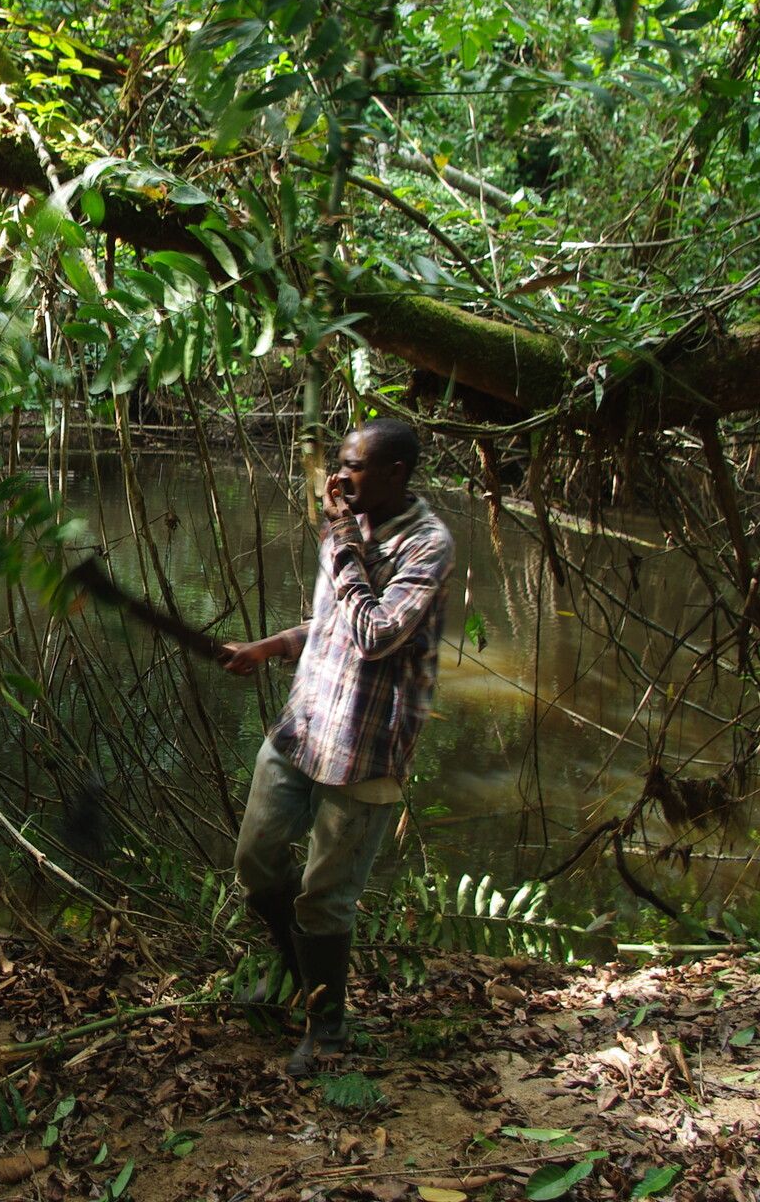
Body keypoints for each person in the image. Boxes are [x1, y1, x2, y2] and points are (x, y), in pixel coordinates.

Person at [220, 419, 453, 1073]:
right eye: (340, 462)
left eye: (354, 466)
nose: (340, 476)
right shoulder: (354, 528)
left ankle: (326, 1027)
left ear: (396, 474)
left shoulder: (427, 545)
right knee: (257, 862)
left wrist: (341, 537)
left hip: (366, 748)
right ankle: (300, 974)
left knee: (326, 896)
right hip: (304, 728)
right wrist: (269, 647)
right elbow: (333, 621)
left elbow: (376, 632)